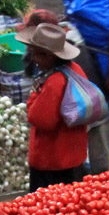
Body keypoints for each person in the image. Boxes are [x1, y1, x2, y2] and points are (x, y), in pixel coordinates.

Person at [20, 22, 93, 190]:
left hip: (53, 160)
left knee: (46, 207)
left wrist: (33, 98)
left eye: (38, 55)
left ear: (50, 56)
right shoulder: (75, 69)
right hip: (74, 155)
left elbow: (40, 119)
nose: (34, 59)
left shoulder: (54, 82)